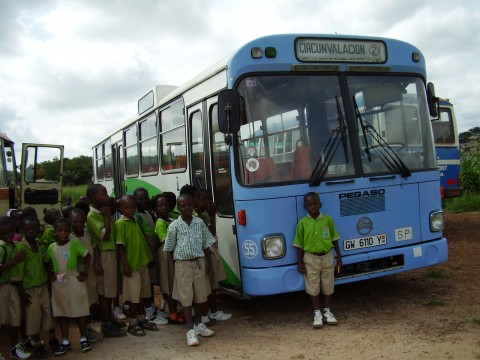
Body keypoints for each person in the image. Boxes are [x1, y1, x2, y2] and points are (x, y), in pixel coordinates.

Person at [163, 194, 215, 346]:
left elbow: (206, 244)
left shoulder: (199, 222)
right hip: (182, 264)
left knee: (199, 295)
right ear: (178, 208)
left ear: (193, 206)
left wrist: (210, 265)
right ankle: (190, 329)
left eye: (189, 205)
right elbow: (170, 248)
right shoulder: (174, 226)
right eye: (183, 206)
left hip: (199, 262)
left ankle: (199, 324)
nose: (187, 208)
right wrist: (176, 267)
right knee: (186, 297)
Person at [293, 192, 342, 328]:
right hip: (310, 258)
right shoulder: (302, 223)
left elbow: (335, 239)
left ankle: (327, 312)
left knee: (328, 284)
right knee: (312, 286)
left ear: (320, 204)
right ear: (305, 207)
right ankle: (317, 313)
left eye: (315, 204)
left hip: (328, 256)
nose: (313, 207)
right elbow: (299, 245)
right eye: (310, 204)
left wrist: (339, 257)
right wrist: (299, 262)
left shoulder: (327, 220)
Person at [10, 216, 57, 358]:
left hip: (43, 286)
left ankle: (52, 338)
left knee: (48, 313)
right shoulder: (20, 248)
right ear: (23, 230)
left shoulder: (39, 245)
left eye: (34, 228)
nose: (31, 231)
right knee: (34, 317)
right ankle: (38, 344)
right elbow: (17, 273)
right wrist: (22, 292)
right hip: (29, 289)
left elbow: (46, 262)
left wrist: (51, 276)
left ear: (39, 229)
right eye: (27, 229)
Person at [45, 218, 92, 355]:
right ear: (55, 232)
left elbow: (88, 256)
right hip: (59, 282)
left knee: (79, 310)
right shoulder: (51, 247)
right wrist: (51, 275)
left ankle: (83, 338)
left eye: (66, 230)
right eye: (60, 230)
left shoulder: (75, 243)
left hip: (73, 279)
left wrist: (85, 274)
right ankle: (65, 341)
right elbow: (46, 262)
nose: (63, 233)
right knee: (62, 312)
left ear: (69, 231)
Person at [85, 184, 126, 337]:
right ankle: (106, 324)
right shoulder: (93, 215)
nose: (107, 196)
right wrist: (108, 216)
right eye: (103, 194)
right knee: (105, 292)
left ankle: (109, 320)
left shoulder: (101, 212)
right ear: (94, 198)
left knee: (111, 290)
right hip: (105, 255)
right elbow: (105, 236)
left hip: (112, 253)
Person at [116, 195, 158, 336]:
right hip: (131, 266)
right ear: (120, 208)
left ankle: (141, 319)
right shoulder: (120, 224)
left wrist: (149, 258)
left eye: (132, 208)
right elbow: (120, 247)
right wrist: (125, 265)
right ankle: (132, 322)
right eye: (127, 208)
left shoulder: (134, 220)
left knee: (143, 295)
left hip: (142, 263)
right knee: (133, 297)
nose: (130, 210)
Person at [193, 189, 231, 323]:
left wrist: (211, 215)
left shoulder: (204, 214)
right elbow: (209, 233)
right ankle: (212, 312)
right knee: (211, 285)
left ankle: (211, 311)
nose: (206, 202)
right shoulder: (196, 216)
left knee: (212, 284)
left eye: (207, 199)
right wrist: (211, 215)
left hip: (210, 250)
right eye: (202, 199)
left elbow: (212, 232)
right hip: (205, 253)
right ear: (195, 200)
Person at [69, 208, 102, 343]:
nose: (79, 224)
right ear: (70, 222)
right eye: (75, 222)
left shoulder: (88, 234)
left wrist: (96, 264)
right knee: (81, 302)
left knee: (92, 300)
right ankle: (84, 330)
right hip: (78, 274)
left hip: (91, 272)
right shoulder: (69, 238)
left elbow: (96, 248)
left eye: (81, 221)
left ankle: (88, 327)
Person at [132, 187, 165, 325]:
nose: (143, 201)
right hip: (147, 253)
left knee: (156, 278)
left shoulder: (149, 213)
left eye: (145, 198)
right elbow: (143, 237)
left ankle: (157, 305)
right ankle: (149, 307)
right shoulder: (136, 216)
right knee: (149, 282)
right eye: (140, 199)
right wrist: (149, 256)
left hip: (154, 250)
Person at [0, 216, 30, 360]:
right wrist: (14, 261)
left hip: (13, 287)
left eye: (10, 232)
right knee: (2, 321)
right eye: (3, 233)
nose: (7, 236)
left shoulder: (16, 245)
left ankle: (15, 349)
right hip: (2, 288)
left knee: (15, 319)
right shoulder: (0, 248)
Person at [153, 194, 183, 324]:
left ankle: (174, 310)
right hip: (166, 254)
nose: (164, 207)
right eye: (160, 206)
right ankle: (172, 313)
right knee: (169, 285)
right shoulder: (160, 223)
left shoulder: (171, 219)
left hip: (173, 253)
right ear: (156, 209)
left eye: (166, 205)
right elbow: (168, 242)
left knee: (174, 283)